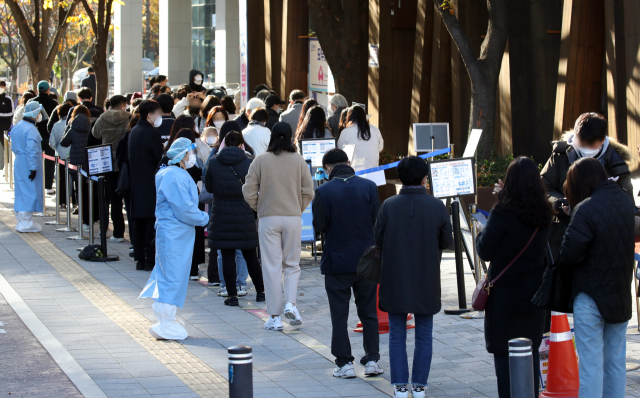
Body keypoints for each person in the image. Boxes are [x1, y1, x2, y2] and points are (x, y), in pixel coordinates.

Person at [374, 156, 453, 398]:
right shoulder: (437, 206)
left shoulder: (388, 205)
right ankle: (419, 385)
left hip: (394, 275)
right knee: (424, 333)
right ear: (424, 178)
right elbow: (448, 242)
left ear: (400, 178)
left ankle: (399, 386)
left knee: (397, 333)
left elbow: (377, 239)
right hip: (426, 276)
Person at [475, 157, 553, 398]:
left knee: (504, 358)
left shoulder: (502, 212)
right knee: (528, 355)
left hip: (504, 298)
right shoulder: (544, 212)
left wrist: (480, 232)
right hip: (534, 296)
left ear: (509, 183)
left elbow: (485, 250)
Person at [557, 158, 635, 397]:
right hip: (620, 295)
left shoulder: (585, 208)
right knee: (615, 363)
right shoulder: (625, 202)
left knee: (591, 365)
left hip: (590, 296)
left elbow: (568, 254)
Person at [312, 148, 383, 379]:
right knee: (369, 312)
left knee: (339, 315)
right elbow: (377, 220)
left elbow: (319, 225)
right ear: (349, 162)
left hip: (336, 261)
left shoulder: (323, 191)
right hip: (367, 260)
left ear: (327, 169)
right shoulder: (369, 187)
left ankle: (345, 364)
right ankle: (372, 359)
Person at [243, 122, 314, 329]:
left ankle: (274, 317)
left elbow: (248, 190)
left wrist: (259, 207)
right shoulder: (299, 160)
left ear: (272, 136)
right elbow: (309, 191)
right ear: (291, 136)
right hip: (293, 216)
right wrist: (297, 208)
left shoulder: (261, 160)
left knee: (271, 265)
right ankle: (291, 304)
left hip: (268, 217)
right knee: (292, 264)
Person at [139, 137, 209, 340]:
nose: (192, 156)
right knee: (172, 276)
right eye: (190, 152)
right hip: (175, 234)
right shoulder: (174, 176)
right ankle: (165, 321)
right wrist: (205, 218)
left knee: (170, 274)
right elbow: (185, 208)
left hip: (174, 233)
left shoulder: (171, 173)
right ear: (182, 154)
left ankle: (167, 319)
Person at [541, 112, 633, 262]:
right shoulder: (560, 156)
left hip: (603, 240)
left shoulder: (617, 164)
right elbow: (543, 188)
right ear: (575, 135)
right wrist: (559, 203)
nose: (585, 148)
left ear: (603, 140)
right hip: (562, 235)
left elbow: (627, 203)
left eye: (590, 145)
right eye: (581, 143)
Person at [204, 132, 266, 306]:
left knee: (227, 254)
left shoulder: (214, 162)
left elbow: (209, 187)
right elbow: (256, 187)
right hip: (243, 212)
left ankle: (232, 296)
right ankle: (261, 292)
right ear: (241, 145)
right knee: (250, 255)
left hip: (221, 213)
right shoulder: (249, 162)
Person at [129, 100, 164, 271]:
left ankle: (139, 258)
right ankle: (150, 258)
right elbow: (158, 158)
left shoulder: (135, 130)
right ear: (149, 115)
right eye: (158, 113)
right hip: (151, 183)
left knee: (139, 223)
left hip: (136, 183)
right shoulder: (152, 133)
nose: (160, 116)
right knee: (151, 222)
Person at [92, 95, 130, 242]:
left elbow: (95, 134)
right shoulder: (129, 116)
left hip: (107, 160)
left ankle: (117, 233)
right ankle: (129, 233)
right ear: (123, 105)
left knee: (113, 199)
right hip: (125, 160)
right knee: (127, 197)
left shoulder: (102, 117)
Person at [12, 102, 46, 233]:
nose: (39, 115)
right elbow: (31, 150)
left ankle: (22, 218)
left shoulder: (18, 126)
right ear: (34, 113)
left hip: (20, 162)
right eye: (38, 112)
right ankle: (26, 221)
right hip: (27, 163)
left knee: (21, 190)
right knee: (30, 190)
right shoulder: (31, 129)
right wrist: (33, 168)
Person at [60, 106, 94, 231]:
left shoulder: (73, 128)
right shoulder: (91, 125)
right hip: (90, 164)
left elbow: (64, 142)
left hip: (76, 165)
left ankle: (84, 221)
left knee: (79, 191)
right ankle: (92, 218)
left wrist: (68, 126)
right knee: (90, 191)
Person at [28, 81, 59, 195]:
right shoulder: (54, 103)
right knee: (50, 161)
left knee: (34, 160)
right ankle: (48, 186)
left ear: (37, 90)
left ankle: (35, 184)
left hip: (34, 135)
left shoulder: (31, 102)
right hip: (49, 136)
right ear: (48, 90)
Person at [338, 106, 384, 172]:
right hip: (373, 172)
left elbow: (340, 152)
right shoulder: (375, 129)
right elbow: (380, 147)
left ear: (350, 117)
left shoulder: (346, 132)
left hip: (355, 173)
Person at [49, 103, 74, 210]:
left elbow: (52, 142)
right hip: (73, 155)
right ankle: (75, 203)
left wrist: (58, 149)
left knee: (61, 179)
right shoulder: (73, 124)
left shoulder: (56, 125)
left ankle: (63, 203)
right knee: (74, 179)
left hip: (60, 155)